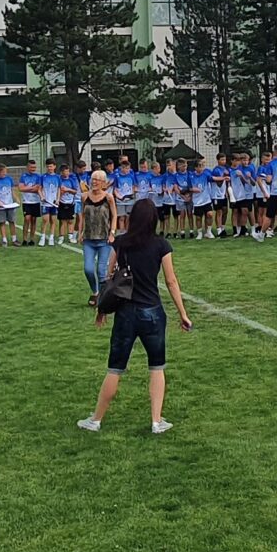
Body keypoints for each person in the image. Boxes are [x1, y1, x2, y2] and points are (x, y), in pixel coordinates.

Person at [77, 200, 192, 434]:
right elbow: (171, 281)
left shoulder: (121, 243)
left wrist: (101, 309)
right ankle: (156, 421)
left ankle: (96, 420)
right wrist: (183, 313)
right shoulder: (162, 245)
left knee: (115, 369)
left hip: (126, 313)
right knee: (157, 367)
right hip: (153, 312)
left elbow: (110, 278)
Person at [77, 172, 116, 305]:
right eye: (93, 179)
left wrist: (112, 233)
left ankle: (102, 297)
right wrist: (80, 232)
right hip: (89, 239)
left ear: (103, 183)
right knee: (88, 269)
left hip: (104, 239)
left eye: (98, 180)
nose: (94, 182)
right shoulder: (84, 197)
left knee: (101, 271)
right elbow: (81, 215)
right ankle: (95, 291)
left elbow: (114, 216)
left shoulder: (108, 197)